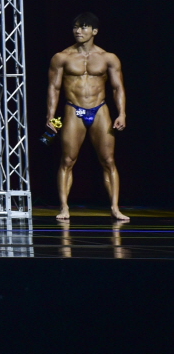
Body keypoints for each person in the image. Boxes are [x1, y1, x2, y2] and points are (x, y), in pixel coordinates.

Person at [47, 13, 128, 222]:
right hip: (73, 109)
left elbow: (117, 87)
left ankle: (115, 207)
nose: (78, 31)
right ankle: (64, 207)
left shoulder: (108, 58)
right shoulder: (62, 57)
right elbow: (54, 88)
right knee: (67, 160)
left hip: (100, 109)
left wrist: (122, 114)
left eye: (83, 27)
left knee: (108, 160)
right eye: (75, 27)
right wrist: (50, 116)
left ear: (94, 31)